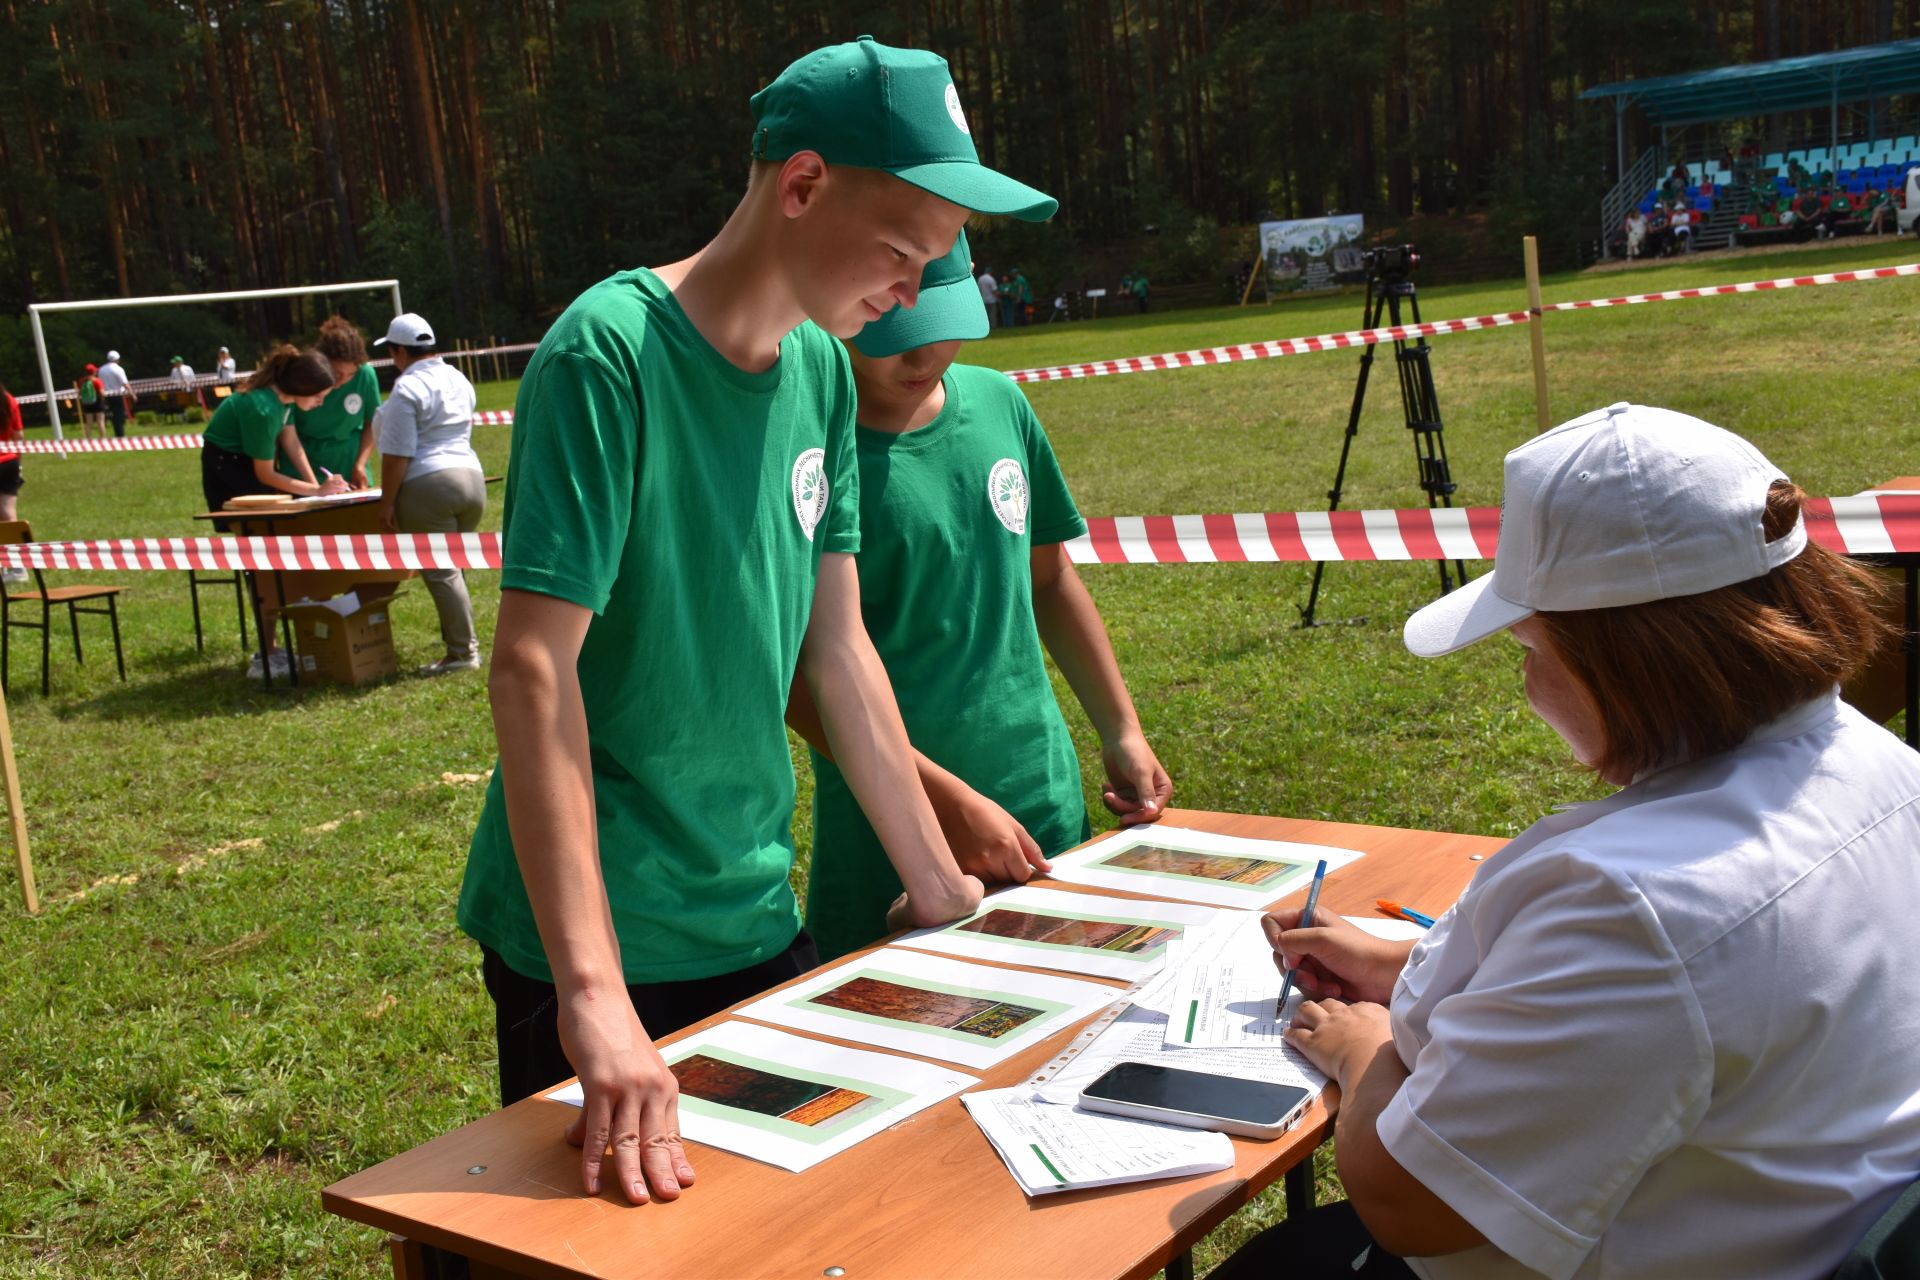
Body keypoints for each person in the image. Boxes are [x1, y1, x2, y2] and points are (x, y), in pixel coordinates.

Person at [457, 36, 1056, 1209]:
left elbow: (837, 650)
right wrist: (593, 992)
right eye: (899, 250)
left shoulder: (823, 375)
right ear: (800, 185)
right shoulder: (609, 352)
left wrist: (934, 882)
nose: (907, 290)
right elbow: (534, 668)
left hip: (753, 907)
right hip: (604, 929)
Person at [1224, 404, 1920, 1280]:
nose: (1524, 678)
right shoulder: (1888, 769)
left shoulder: (1630, 902)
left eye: (1528, 644)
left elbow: (1412, 1201)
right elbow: (1699, 1018)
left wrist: (1359, 1049)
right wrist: (1408, 972)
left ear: (1622, 662)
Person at [790, 231, 1172, 962]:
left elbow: (1051, 579)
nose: (922, 357)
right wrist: (945, 805)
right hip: (891, 841)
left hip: (1044, 806)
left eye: (941, 331)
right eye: (893, 336)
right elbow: (799, 682)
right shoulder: (808, 454)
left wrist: (1120, 728)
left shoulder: (1001, 404)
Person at [198, 346, 349, 679]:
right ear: (303, 387)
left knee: (280, 553)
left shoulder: (283, 400)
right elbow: (265, 474)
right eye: (321, 396)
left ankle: (286, 641)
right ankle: (266, 654)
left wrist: (321, 490)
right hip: (229, 471)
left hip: (245, 466)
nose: (322, 402)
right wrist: (316, 492)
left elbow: (292, 442)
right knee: (262, 560)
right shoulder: (263, 408)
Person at [371, 313, 484, 675]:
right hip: (472, 479)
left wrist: (387, 502)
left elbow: (398, 453)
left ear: (400, 351)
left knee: (441, 572)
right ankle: (462, 643)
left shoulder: (406, 388)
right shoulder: (458, 378)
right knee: (454, 568)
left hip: (429, 482)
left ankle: (462, 653)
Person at [292, 316, 381, 488]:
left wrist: (360, 464)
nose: (342, 381)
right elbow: (287, 433)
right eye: (337, 374)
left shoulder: (366, 375)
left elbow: (373, 422)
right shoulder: (306, 373)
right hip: (303, 464)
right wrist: (314, 487)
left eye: (351, 375)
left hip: (348, 463)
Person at [0, 380, 24, 580]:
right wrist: (20, 463)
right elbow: (19, 435)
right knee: (8, 513)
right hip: (10, 461)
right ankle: (18, 567)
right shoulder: (9, 400)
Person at [97, 350, 132, 438]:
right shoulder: (118, 369)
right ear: (117, 359)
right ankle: (120, 434)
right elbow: (125, 383)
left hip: (105, 395)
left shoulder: (101, 369)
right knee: (119, 415)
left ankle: (117, 433)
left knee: (112, 415)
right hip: (117, 395)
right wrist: (132, 393)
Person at [76, 364, 105, 440]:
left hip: (86, 403)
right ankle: (103, 438)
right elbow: (102, 393)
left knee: (89, 422)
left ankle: (88, 438)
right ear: (94, 372)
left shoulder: (81, 381)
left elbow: (79, 392)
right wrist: (103, 399)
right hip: (97, 402)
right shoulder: (97, 381)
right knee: (100, 421)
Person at [976, 264, 999, 329]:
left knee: (986, 315)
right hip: (992, 300)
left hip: (983, 299)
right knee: (992, 314)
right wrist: (997, 298)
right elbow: (994, 290)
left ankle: (986, 327)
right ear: (990, 272)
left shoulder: (980, 279)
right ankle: (993, 326)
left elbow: (979, 289)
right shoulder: (991, 279)